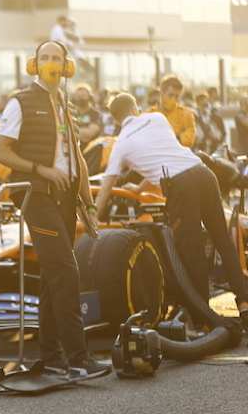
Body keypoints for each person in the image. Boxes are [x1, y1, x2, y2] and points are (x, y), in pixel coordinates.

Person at [0, 41, 111, 379]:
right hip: (37, 196)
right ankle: (77, 358)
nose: (52, 63)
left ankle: (53, 356)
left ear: (67, 66)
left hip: (66, 199)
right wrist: (39, 169)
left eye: (57, 58)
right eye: (45, 58)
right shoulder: (21, 102)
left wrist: (87, 204)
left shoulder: (63, 104)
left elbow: (79, 162)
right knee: (66, 272)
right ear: (34, 64)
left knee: (51, 277)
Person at [94, 93, 248, 330]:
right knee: (223, 241)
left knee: (191, 250)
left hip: (181, 186)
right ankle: (244, 302)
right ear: (136, 107)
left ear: (115, 119)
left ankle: (202, 321)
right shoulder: (156, 118)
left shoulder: (121, 142)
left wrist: (93, 218)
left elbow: (106, 186)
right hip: (202, 172)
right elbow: (166, 153)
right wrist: (142, 185)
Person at [150, 75, 196, 148]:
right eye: (170, 95)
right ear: (161, 93)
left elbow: (189, 141)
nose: (174, 100)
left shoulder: (187, 114)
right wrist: (178, 135)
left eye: (177, 96)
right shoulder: (149, 114)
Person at [72, 83, 102, 151]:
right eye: (78, 96)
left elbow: (89, 134)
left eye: (83, 95)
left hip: (92, 152)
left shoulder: (95, 114)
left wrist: (70, 130)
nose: (81, 98)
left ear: (90, 96)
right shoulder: (69, 113)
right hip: (74, 152)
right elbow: (61, 129)